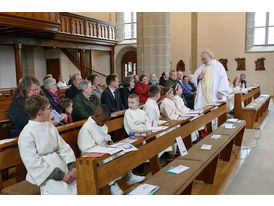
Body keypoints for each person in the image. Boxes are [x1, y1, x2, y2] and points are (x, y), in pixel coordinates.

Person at [77, 104, 145, 195]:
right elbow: (86, 149)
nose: (104, 123)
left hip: (106, 149)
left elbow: (106, 136)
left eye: (106, 121)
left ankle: (129, 177)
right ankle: (112, 185)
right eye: (103, 120)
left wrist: (109, 142)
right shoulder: (86, 128)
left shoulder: (100, 122)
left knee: (124, 151)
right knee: (108, 159)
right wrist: (104, 149)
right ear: (96, 115)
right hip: (93, 156)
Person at [18, 95, 77, 195]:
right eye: (49, 108)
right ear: (40, 112)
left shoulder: (49, 125)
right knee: (63, 193)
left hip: (61, 166)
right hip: (44, 173)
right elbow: (32, 162)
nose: (51, 110)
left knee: (81, 184)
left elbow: (63, 147)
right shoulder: (27, 133)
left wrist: (72, 166)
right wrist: (59, 175)